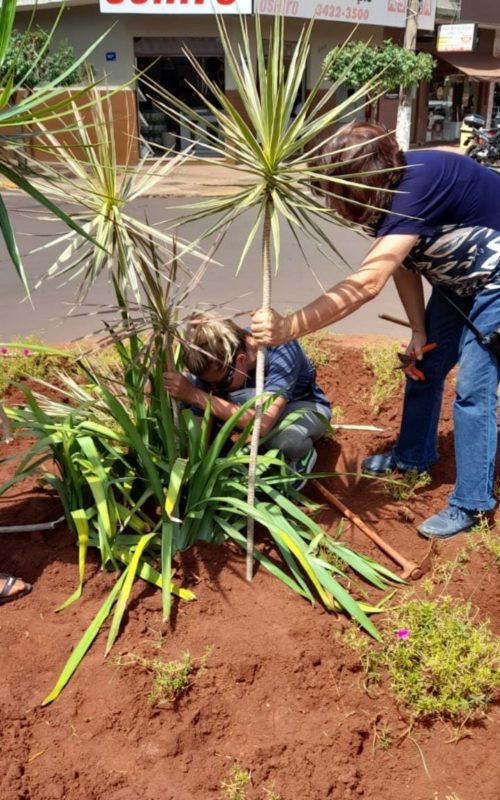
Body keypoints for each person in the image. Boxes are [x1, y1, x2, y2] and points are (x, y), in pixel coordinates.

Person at [251, 121, 500, 539]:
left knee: (473, 391)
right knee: (422, 365)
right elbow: (406, 263)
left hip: (495, 284)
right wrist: (419, 330)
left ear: (367, 177)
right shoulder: (380, 201)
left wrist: (289, 327)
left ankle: (472, 503)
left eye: (337, 190)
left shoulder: (414, 190)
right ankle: (413, 456)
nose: (331, 202)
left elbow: (369, 282)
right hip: (457, 284)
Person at [163, 315, 331, 488]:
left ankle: (299, 458)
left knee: (288, 441)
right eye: (208, 383)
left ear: (241, 360)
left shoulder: (281, 349)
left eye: (221, 382)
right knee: (181, 385)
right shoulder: (215, 359)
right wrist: (196, 469)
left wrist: (194, 395)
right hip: (244, 407)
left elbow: (263, 423)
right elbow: (201, 418)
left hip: (296, 408)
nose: (214, 386)